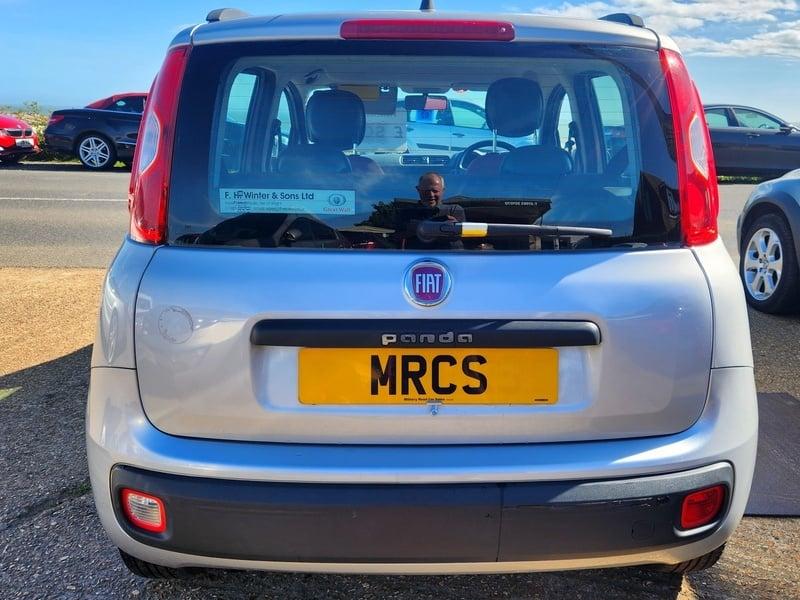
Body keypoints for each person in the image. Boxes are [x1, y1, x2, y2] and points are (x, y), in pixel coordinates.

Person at [401, 172, 464, 249]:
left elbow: (459, 236)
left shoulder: (454, 210)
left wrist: (419, 227)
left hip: (449, 255)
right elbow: (397, 236)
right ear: (418, 190)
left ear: (443, 190)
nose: (431, 195)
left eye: (435, 191)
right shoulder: (407, 212)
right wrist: (443, 227)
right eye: (426, 191)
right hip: (415, 256)